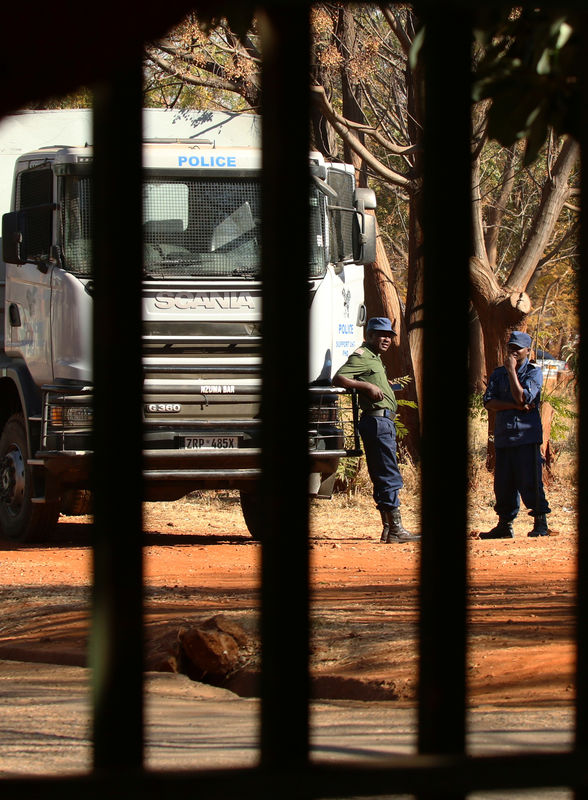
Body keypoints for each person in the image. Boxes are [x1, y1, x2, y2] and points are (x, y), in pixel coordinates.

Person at [332, 317, 420, 543]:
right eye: (381, 335)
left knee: (383, 473)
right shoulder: (362, 356)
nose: (386, 339)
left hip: (382, 422)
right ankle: (397, 529)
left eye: (389, 335)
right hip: (377, 422)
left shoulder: (374, 359)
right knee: (388, 474)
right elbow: (339, 378)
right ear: (368, 336)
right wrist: (367, 386)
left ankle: (389, 530)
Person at [481, 330, 551, 539]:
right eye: (510, 347)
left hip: (526, 437)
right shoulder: (497, 373)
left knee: (530, 480)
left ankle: (541, 523)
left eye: (517, 349)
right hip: (504, 436)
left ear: (527, 351)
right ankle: (505, 525)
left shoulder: (533, 373)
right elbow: (489, 402)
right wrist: (513, 405)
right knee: (503, 483)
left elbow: (523, 398)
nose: (512, 352)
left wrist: (512, 371)